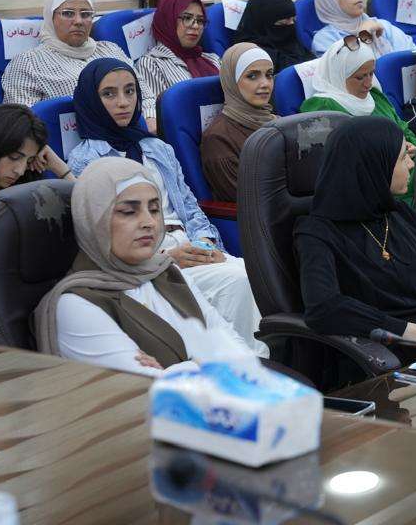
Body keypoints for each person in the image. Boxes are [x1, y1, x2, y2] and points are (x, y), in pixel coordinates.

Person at [65, 59, 266, 354]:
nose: (123, 102)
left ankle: (253, 359)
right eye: (109, 94)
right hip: (147, 258)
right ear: (91, 102)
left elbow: (189, 206)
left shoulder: (156, 147)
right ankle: (249, 363)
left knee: (258, 273)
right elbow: (101, 235)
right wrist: (164, 258)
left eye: (130, 91)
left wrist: (205, 243)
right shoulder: (85, 161)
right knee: (239, 280)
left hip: (187, 244)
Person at [34, 158, 260, 377]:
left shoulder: (167, 273)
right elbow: (149, 387)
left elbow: (234, 347)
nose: (149, 222)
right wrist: (204, 361)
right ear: (93, 219)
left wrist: (183, 367)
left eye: (154, 209)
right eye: (128, 212)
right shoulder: (76, 305)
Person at [294, 116, 416, 346]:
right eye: (402, 158)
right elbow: (324, 308)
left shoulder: (401, 214)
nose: (411, 164)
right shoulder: (317, 233)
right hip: (385, 351)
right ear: (373, 167)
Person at [299, 34, 416, 203]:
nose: (368, 83)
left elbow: (403, 129)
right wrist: (393, 154)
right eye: (360, 77)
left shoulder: (375, 97)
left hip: (409, 174)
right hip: (373, 191)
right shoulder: (320, 108)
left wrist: (412, 146)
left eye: (371, 74)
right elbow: (326, 164)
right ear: (339, 74)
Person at [2, 0, 151, 119]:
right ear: (50, 18)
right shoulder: (28, 63)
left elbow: (145, 95)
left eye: (85, 14)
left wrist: (150, 120)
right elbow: (22, 123)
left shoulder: (110, 49)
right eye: (68, 14)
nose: (79, 21)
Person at [200, 42, 275, 201]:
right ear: (231, 81)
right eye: (252, 76)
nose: (265, 84)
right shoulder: (218, 139)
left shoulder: (277, 121)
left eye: (269, 75)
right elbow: (250, 200)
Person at [135, 0, 220, 116]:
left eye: (200, 20)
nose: (195, 26)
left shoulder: (213, 60)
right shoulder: (151, 64)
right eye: (187, 18)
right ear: (168, 19)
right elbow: (161, 116)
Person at [0, 104, 71, 207]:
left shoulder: (26, 191)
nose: (20, 171)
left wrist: (61, 169)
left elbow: (81, 210)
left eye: (29, 161)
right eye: (14, 157)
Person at [310, 0, 416, 56]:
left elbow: (413, 56)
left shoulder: (381, 25)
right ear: (330, 1)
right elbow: (347, 71)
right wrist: (363, 36)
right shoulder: (324, 39)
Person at [233, 0, 313, 74]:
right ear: (264, 22)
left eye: (293, 19)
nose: (291, 24)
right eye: (284, 22)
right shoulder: (251, 53)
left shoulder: (293, 37)